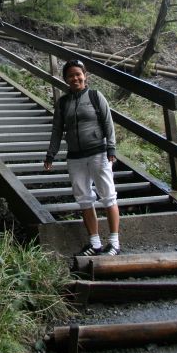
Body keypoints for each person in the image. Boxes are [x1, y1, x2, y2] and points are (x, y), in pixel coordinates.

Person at [44, 59, 120, 256]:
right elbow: (57, 130)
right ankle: (94, 243)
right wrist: (50, 154)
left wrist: (111, 148)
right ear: (66, 79)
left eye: (78, 74)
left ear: (85, 76)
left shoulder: (96, 96)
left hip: (98, 152)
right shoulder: (63, 103)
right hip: (75, 157)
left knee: (108, 195)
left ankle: (114, 243)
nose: (75, 78)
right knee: (84, 198)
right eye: (70, 75)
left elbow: (108, 122)